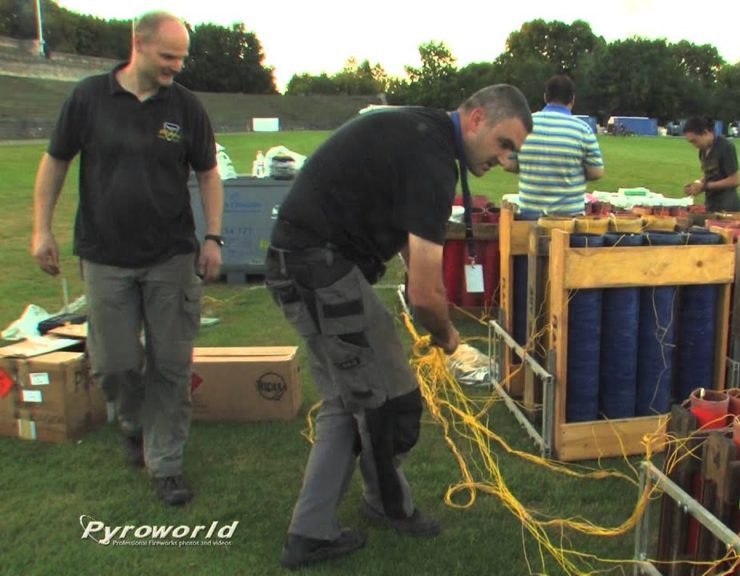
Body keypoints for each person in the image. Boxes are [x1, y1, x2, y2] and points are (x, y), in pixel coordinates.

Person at [266, 85, 532, 570]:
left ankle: (313, 528)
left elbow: (416, 255)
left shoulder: (423, 133)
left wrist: (430, 309)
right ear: (475, 119)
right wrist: (453, 344)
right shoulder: (431, 159)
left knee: (348, 403)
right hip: (322, 272)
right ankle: (382, 506)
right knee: (390, 404)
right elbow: (426, 294)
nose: (507, 159)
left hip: (304, 265)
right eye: (504, 143)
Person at [31, 11, 223, 507]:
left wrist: (214, 238)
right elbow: (55, 161)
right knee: (115, 364)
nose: (175, 68)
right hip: (104, 255)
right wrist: (41, 229)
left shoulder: (185, 106)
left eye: (181, 58)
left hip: (171, 257)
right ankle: (134, 422)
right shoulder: (89, 98)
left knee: (171, 364)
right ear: (136, 43)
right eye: (167, 57)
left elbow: (208, 173)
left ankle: (166, 464)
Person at [505, 75, 604, 215]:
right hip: (569, 220)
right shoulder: (583, 129)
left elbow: (509, 164)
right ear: (572, 99)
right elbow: (596, 172)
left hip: (529, 216)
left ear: (545, 97)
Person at [682, 116, 740, 213]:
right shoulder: (703, 150)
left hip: (727, 206)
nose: (694, 145)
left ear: (706, 133)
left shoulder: (725, 147)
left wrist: (705, 186)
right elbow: (711, 175)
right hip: (711, 204)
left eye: (694, 141)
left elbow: (735, 180)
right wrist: (697, 184)